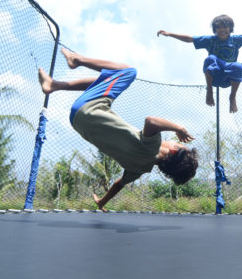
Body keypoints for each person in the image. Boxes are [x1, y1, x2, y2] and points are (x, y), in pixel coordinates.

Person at [38, 48, 198, 212]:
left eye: (178, 144)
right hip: (77, 122)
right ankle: (55, 85)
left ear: (172, 151)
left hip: (90, 109)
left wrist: (179, 127)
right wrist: (102, 201)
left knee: (128, 72)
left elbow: (150, 121)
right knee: (104, 80)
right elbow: (118, 184)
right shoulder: (140, 169)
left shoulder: (153, 145)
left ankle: (76, 60)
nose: (175, 140)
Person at [157, 15, 242, 113]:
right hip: (215, 76)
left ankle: (232, 96)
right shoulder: (210, 40)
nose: (222, 30)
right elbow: (189, 39)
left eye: (225, 27)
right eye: (218, 28)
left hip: (229, 79)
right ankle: (209, 90)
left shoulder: (236, 39)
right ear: (215, 30)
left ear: (230, 28)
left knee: (238, 67)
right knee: (211, 58)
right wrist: (169, 34)